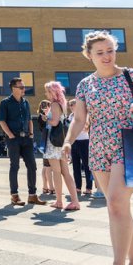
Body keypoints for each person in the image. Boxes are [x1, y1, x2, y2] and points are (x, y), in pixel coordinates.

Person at [63, 30, 133, 264]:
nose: (106, 56)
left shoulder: (132, 76)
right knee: (118, 207)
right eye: (100, 52)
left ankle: (118, 262)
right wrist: (68, 141)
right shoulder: (85, 84)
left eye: (110, 51)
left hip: (129, 144)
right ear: (89, 55)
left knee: (115, 203)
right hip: (99, 146)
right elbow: (79, 119)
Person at [0, 77, 46, 206]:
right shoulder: (5, 103)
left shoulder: (26, 102)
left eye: (24, 87)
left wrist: (31, 134)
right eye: (21, 87)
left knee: (32, 166)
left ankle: (32, 195)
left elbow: (30, 119)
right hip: (13, 139)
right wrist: (10, 135)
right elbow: (2, 120)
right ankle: (14, 196)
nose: (24, 89)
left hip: (26, 139)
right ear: (13, 88)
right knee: (15, 166)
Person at [43, 81, 80, 211]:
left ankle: (59, 201)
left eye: (47, 91)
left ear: (52, 92)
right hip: (62, 142)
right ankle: (75, 201)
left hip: (54, 143)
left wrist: (45, 118)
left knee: (56, 172)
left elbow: (54, 122)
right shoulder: (62, 104)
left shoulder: (54, 104)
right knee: (66, 173)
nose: (46, 94)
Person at [69, 99, 93, 195]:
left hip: (84, 141)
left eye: (73, 104)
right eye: (70, 105)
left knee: (87, 166)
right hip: (74, 142)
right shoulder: (71, 116)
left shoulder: (85, 115)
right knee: (75, 166)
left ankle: (89, 187)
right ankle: (78, 187)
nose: (71, 106)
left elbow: (86, 128)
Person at [37, 100, 54, 194]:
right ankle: (51, 187)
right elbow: (43, 129)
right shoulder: (42, 117)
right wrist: (46, 118)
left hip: (45, 143)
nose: (47, 107)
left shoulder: (43, 116)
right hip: (47, 143)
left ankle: (45, 187)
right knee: (48, 167)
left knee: (45, 167)